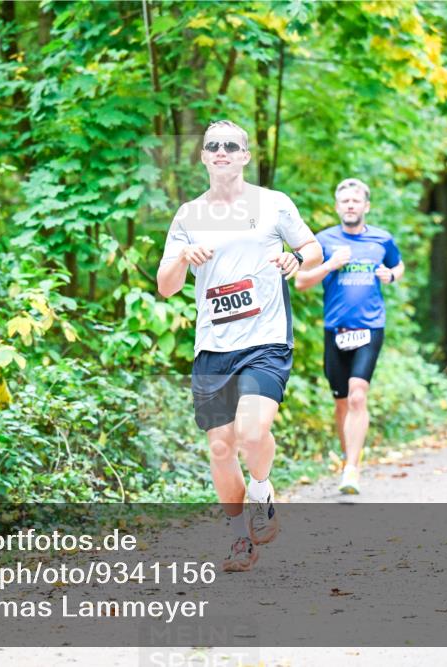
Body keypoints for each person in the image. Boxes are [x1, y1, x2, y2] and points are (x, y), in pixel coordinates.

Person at [157, 120, 321, 572]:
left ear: (246, 155)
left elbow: (312, 248)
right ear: (204, 157)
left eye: (232, 145)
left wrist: (296, 257)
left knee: (251, 432)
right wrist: (182, 259)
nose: (222, 151)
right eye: (214, 146)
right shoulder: (189, 215)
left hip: (265, 339)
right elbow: (166, 285)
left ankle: (262, 490)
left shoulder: (273, 204)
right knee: (220, 448)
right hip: (213, 347)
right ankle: (238, 540)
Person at [294, 178, 404, 495]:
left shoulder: (382, 240)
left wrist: (392, 275)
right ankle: (347, 460)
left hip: (370, 327)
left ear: (366, 206)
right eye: (345, 201)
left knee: (358, 396)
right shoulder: (324, 240)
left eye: (356, 201)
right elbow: (301, 281)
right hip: (335, 330)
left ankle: (352, 470)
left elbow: (399, 266)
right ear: (337, 206)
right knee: (342, 403)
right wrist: (330, 264)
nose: (351, 205)